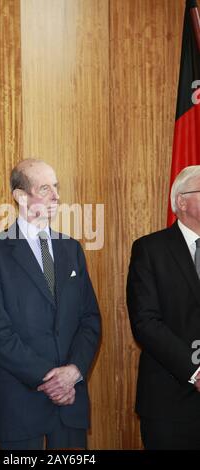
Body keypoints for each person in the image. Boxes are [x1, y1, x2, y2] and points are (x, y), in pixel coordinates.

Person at [0, 158, 101, 450]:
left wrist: (73, 373)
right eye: (45, 188)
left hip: (70, 406)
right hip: (20, 405)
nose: (56, 196)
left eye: (56, 187)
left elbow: (90, 319)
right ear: (20, 196)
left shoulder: (72, 249)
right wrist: (50, 380)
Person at [127, 165, 200, 450]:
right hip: (170, 401)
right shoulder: (150, 249)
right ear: (182, 201)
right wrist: (194, 370)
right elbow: (145, 321)